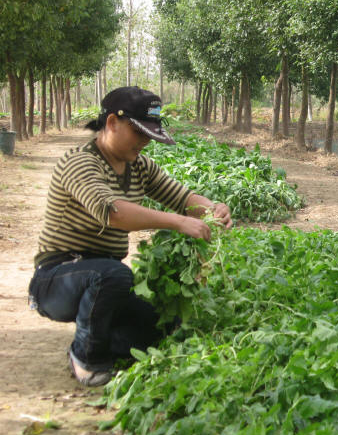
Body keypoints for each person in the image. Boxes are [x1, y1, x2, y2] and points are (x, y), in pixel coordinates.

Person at [27, 86, 232, 387]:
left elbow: (183, 198)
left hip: (104, 278)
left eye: (149, 134)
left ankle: (101, 341)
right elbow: (113, 212)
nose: (145, 142)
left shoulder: (139, 167)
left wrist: (213, 210)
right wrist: (178, 223)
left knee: (162, 322)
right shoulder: (80, 163)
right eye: (138, 132)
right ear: (112, 123)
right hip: (57, 278)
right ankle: (86, 357)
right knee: (114, 275)